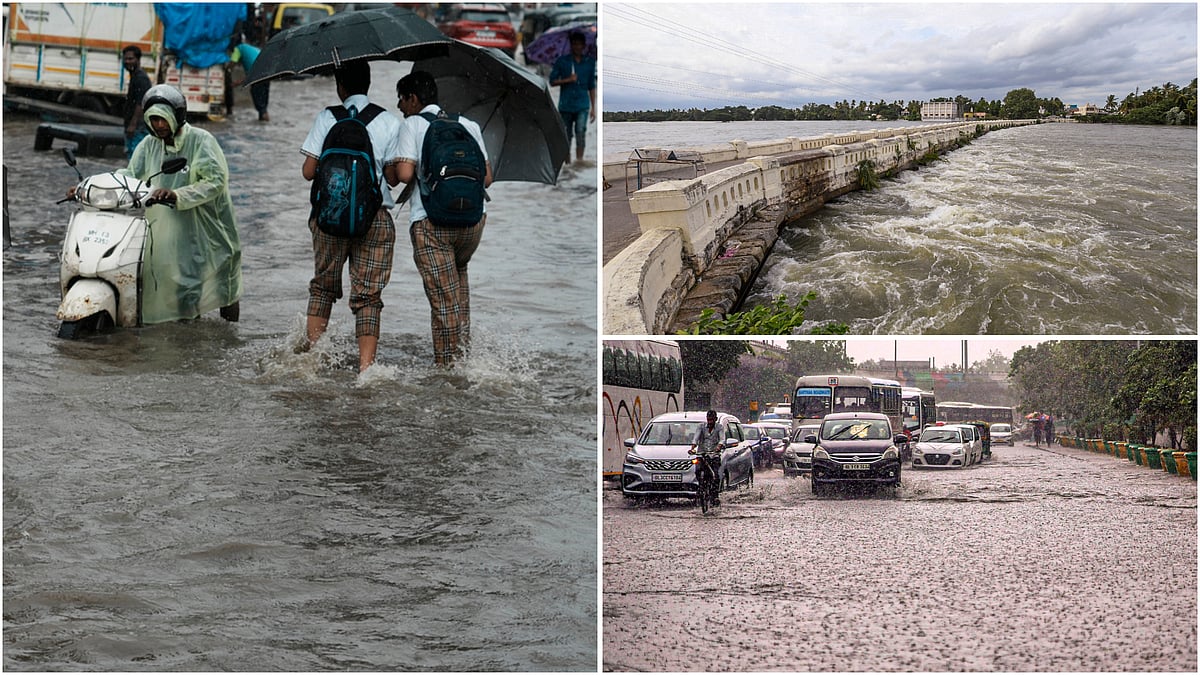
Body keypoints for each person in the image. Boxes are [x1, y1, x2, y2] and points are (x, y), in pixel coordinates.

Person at [300, 61, 403, 372]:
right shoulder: (388, 120)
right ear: (368, 84)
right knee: (368, 296)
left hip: (329, 217)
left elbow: (308, 173)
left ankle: (314, 362)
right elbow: (394, 177)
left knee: (323, 287)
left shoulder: (327, 117)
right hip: (375, 218)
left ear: (339, 85)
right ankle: (366, 370)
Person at [110, 85, 242, 324]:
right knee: (181, 285)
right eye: (154, 120)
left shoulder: (201, 141)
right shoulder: (148, 145)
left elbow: (214, 181)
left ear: (177, 117)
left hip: (209, 229)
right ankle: (187, 338)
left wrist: (177, 195)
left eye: (163, 119)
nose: (159, 125)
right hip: (169, 230)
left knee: (223, 286)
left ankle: (230, 337)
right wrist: (91, 186)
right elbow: (130, 175)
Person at [394, 70, 493, 368]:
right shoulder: (468, 124)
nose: (399, 106)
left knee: (442, 300)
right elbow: (487, 178)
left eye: (401, 99)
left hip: (431, 222)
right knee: (457, 285)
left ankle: (448, 371)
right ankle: (465, 356)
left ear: (413, 98)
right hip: (473, 224)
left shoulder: (411, 124)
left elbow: (404, 175)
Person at [548, 31, 597, 164]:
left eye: (579, 44)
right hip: (566, 105)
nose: (577, 47)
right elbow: (552, 81)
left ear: (583, 45)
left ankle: (579, 162)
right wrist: (568, 79)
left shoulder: (589, 63)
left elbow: (592, 86)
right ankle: (568, 164)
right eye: (574, 44)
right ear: (571, 45)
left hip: (582, 105)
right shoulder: (562, 61)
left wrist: (594, 108)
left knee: (581, 132)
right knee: (566, 136)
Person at [121, 45, 153, 160]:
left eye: (130, 59)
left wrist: (133, 124)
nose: (127, 62)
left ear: (138, 60)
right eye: (125, 59)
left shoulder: (141, 78)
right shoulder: (135, 76)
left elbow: (141, 103)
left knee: (135, 158)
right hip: (135, 126)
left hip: (138, 127)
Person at [689, 410, 725, 506]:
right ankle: (701, 488)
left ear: (715, 419)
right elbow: (695, 438)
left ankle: (715, 495)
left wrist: (719, 447)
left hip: (714, 455)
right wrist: (693, 448)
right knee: (698, 470)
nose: (709, 422)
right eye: (708, 420)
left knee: (715, 475)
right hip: (702, 455)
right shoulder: (701, 427)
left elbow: (722, 439)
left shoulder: (720, 428)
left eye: (712, 420)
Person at [230, 36, 270, 121]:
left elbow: (232, 64)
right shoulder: (250, 48)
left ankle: (263, 117)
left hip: (258, 74)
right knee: (263, 99)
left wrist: (228, 71)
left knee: (257, 95)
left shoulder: (238, 49)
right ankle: (264, 120)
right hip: (267, 72)